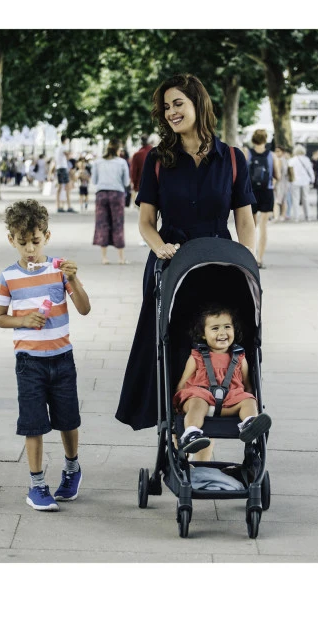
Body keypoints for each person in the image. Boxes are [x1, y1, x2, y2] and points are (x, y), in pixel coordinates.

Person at [115, 72, 256, 434]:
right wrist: (159, 246)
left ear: (199, 104)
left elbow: (245, 220)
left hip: (219, 265)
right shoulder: (158, 160)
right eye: (166, 107)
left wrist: (248, 263)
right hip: (171, 264)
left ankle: (216, 420)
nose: (171, 112)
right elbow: (146, 222)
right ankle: (181, 431)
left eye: (178, 103)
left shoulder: (233, 159)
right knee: (172, 345)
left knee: (218, 341)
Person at [0, 199, 91, 511]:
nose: (30, 249)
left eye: (35, 241)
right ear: (11, 240)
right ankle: (36, 485)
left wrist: (73, 278)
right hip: (29, 363)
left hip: (62, 358)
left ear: (47, 236)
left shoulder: (59, 271)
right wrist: (23, 320)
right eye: (22, 242)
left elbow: (84, 308)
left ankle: (72, 469)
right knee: (33, 423)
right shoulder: (8, 277)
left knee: (68, 419)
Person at [174, 303, 272, 455]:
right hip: (201, 399)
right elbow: (183, 382)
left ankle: (249, 423)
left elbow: (247, 385)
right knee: (197, 401)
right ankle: (191, 433)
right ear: (203, 334)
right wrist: (176, 404)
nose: (222, 332)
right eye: (215, 328)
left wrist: (251, 401)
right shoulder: (197, 356)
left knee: (248, 399)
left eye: (227, 327)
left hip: (229, 403)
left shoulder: (239, 357)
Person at [92, 139, 131, 265]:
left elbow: (94, 180)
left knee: (102, 224)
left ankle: (104, 257)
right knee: (118, 223)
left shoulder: (98, 162)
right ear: (118, 150)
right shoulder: (122, 162)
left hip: (101, 194)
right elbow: (126, 182)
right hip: (117, 194)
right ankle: (121, 257)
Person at [248, 129, 278, 269]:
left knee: (250, 226)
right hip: (267, 191)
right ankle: (260, 259)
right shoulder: (272, 155)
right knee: (263, 226)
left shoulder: (247, 153)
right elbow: (277, 175)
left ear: (253, 139)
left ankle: (251, 257)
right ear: (265, 140)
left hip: (251, 192)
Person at [288, 144, 315, 222]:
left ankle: (296, 217)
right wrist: (312, 179)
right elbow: (310, 170)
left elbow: (290, 172)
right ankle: (308, 216)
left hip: (295, 181)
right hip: (305, 181)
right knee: (306, 198)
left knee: (295, 199)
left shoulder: (292, 160)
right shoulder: (306, 159)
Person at [129, 134, 152, 208]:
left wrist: (134, 185)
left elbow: (133, 172)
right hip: (157, 187)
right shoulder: (156, 153)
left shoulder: (137, 155)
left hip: (141, 187)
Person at [53, 135, 74, 213]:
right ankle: (69, 206)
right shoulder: (63, 147)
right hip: (63, 168)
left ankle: (59, 206)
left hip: (59, 168)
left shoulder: (58, 148)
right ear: (65, 140)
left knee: (60, 187)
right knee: (67, 187)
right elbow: (68, 155)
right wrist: (70, 153)